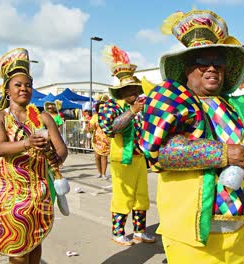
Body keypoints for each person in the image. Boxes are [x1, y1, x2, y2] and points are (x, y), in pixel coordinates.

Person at [140, 10, 244, 263]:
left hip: (237, 229)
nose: (211, 67)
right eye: (202, 60)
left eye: (217, 61)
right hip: (191, 234)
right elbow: (160, 153)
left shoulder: (242, 107)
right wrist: (222, 153)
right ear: (187, 68)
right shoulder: (172, 100)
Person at [0, 48, 67, 264]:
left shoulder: (43, 117)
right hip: (12, 193)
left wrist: (55, 157)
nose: (24, 89)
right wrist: (28, 142)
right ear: (8, 90)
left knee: (36, 242)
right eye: (18, 85)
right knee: (17, 248)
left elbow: (62, 149)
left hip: (41, 191)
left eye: (28, 85)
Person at [99, 45, 155, 246]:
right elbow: (110, 129)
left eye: (135, 88)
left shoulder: (142, 107)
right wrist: (132, 111)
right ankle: (118, 232)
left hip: (140, 158)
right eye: (129, 89)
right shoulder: (111, 106)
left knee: (141, 197)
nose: (134, 92)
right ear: (121, 91)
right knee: (123, 197)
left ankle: (140, 231)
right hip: (122, 158)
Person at [91, 97, 110, 179]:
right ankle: (99, 172)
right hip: (96, 139)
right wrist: (90, 126)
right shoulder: (95, 116)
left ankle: (103, 173)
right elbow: (91, 127)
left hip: (105, 139)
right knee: (97, 157)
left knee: (104, 157)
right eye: (100, 107)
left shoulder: (108, 116)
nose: (102, 109)